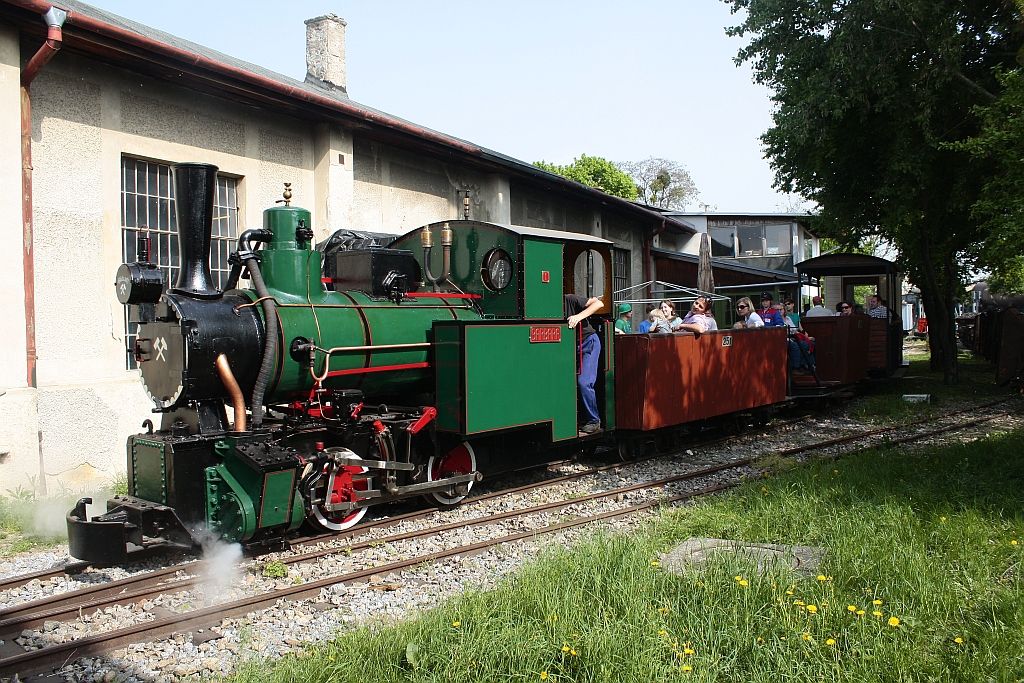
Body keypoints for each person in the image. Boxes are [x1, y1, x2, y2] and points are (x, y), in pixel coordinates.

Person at [565, 294, 603, 434]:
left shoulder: (570, 299)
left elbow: (598, 303)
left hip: (588, 343)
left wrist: (578, 316)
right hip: (571, 347)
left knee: (584, 382)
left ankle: (594, 420)